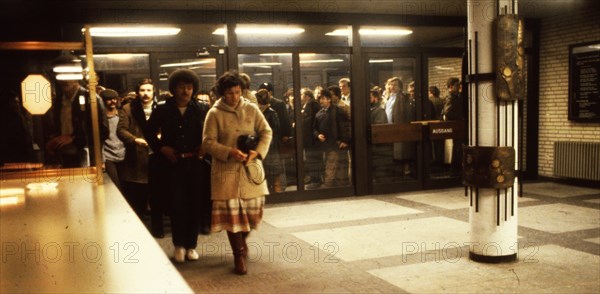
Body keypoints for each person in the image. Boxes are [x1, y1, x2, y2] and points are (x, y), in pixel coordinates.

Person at [202, 70, 272, 275]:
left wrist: (257, 151)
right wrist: (228, 151)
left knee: (253, 214)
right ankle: (239, 254)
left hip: (251, 169)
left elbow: (266, 131)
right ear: (222, 93)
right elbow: (207, 142)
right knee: (232, 217)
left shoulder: (251, 109)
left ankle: (243, 243)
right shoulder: (214, 113)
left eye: (237, 92)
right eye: (230, 93)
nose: (234, 97)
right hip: (226, 172)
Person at [145, 69, 210, 263]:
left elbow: (211, 132)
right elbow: (149, 132)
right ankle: (179, 245)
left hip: (195, 163)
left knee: (195, 204)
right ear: (173, 88)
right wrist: (161, 148)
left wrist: (204, 148)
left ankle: (191, 246)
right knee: (176, 205)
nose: (185, 91)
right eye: (181, 87)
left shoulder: (201, 109)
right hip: (171, 164)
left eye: (189, 87)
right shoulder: (162, 109)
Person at [117, 79, 168, 238]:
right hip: (137, 157)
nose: (145, 93)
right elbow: (121, 130)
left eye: (149, 90)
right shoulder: (128, 108)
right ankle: (138, 231)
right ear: (138, 92)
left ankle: (158, 230)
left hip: (157, 156)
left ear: (154, 92)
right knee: (138, 197)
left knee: (158, 196)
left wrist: (161, 137)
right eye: (142, 90)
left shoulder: (161, 108)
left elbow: (167, 127)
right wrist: (134, 139)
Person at [46, 54, 108, 168]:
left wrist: (74, 138)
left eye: (68, 74)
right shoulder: (58, 100)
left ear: (77, 76)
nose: (65, 80)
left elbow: (103, 131)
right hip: (63, 156)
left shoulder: (91, 98)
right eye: (60, 75)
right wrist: (52, 140)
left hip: (86, 157)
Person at [313, 88, 350, 188]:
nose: (321, 101)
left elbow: (345, 127)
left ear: (329, 99)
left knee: (333, 165)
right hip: (325, 144)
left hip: (336, 143)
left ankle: (328, 185)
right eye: (320, 99)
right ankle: (334, 185)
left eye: (323, 98)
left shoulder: (338, 111)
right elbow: (314, 128)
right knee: (331, 165)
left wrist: (345, 140)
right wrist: (317, 135)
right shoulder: (319, 113)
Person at [382, 77, 415, 176]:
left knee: (402, 150)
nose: (392, 87)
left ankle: (405, 169)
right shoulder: (388, 97)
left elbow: (405, 113)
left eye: (395, 85)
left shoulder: (402, 97)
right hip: (388, 126)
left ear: (400, 87)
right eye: (390, 84)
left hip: (398, 126)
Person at [256, 89, 285, 192]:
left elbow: (275, 130)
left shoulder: (271, 113)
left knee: (274, 178)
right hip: (270, 147)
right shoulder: (271, 113)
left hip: (270, 147)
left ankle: (277, 197)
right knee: (272, 177)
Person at [100, 89, 125, 190]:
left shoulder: (122, 115)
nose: (113, 101)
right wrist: (101, 160)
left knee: (125, 186)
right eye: (109, 99)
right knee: (114, 186)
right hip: (108, 156)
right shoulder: (100, 118)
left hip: (123, 154)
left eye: (114, 99)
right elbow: (99, 140)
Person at [300, 88, 322, 188]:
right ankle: (313, 179)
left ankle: (316, 180)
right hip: (308, 138)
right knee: (310, 159)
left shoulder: (313, 105)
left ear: (307, 96)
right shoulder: (307, 105)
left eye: (302, 95)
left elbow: (312, 122)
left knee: (313, 159)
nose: (300, 97)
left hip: (312, 139)